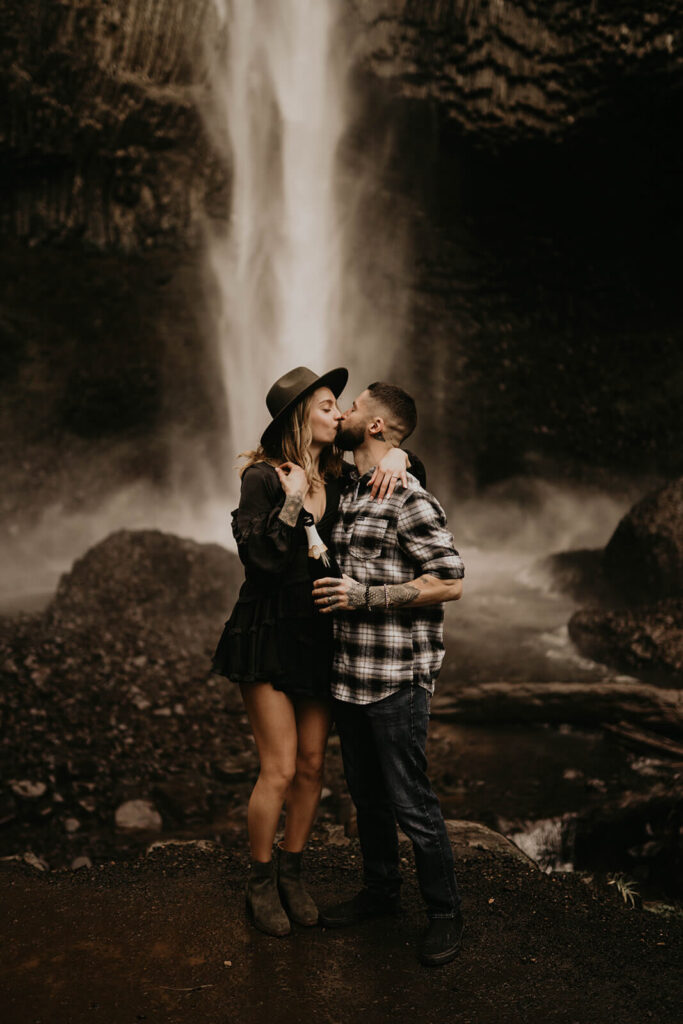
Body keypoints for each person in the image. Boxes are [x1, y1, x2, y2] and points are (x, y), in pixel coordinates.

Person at [212, 366, 410, 937]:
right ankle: (260, 879)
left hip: (322, 634)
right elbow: (263, 564)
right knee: (277, 767)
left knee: (313, 765)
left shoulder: (342, 476)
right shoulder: (264, 478)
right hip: (268, 632)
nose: (339, 412)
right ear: (301, 415)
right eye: (328, 405)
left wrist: (398, 457)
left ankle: (293, 874)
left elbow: (402, 477)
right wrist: (292, 501)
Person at [312, 382, 465, 967]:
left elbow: (450, 580)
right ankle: (381, 894)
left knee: (411, 802)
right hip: (349, 676)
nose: (343, 413)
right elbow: (295, 443)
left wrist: (366, 595)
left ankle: (445, 913)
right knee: (368, 799)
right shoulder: (350, 488)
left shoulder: (409, 498)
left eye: (353, 408)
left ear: (375, 427)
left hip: (397, 681)